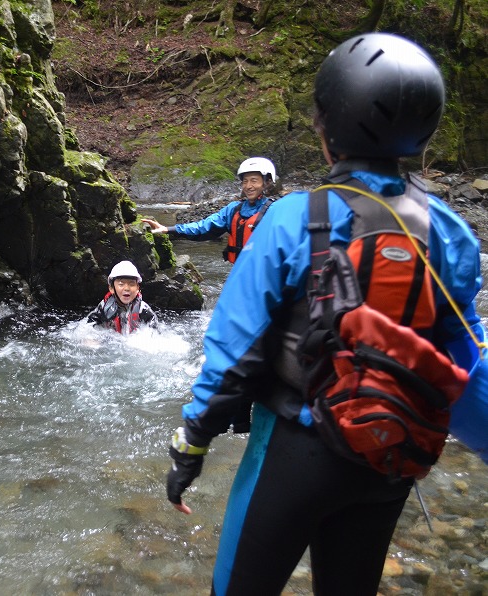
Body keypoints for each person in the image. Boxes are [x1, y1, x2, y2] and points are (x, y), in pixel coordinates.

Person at [164, 33, 486, 595]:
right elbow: (466, 364)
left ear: (326, 129)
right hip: (389, 459)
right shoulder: (449, 233)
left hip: (295, 450)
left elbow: (233, 352)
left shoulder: (291, 218)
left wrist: (192, 444)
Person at [141, 157, 278, 263]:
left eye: (254, 180)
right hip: (239, 274)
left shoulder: (275, 211)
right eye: (245, 181)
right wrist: (169, 229)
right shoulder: (234, 210)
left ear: (266, 182)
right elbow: (203, 227)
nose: (248, 186)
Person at [86, 260, 157, 334]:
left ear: (137, 288)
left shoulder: (143, 308)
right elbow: (89, 323)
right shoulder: (104, 306)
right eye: (121, 284)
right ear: (112, 288)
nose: (127, 288)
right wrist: (90, 338)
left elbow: (155, 330)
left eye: (131, 284)